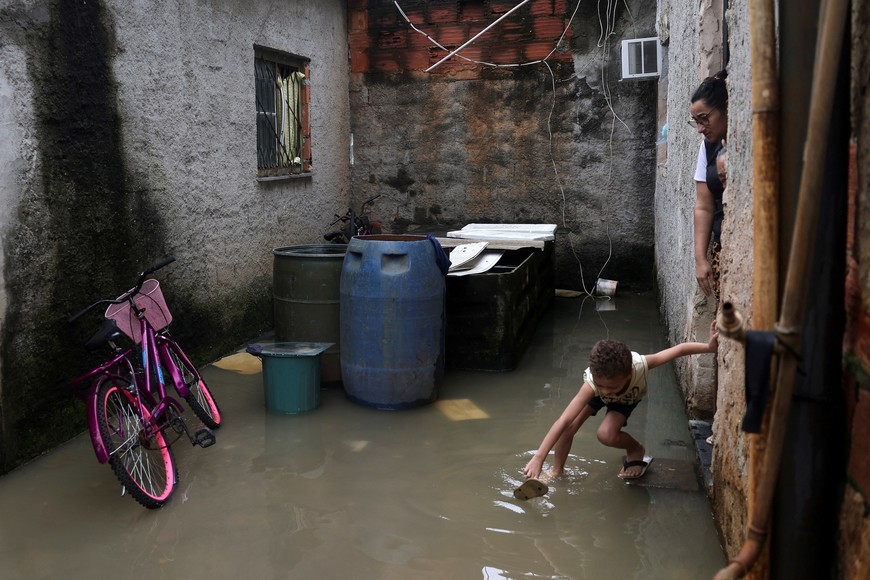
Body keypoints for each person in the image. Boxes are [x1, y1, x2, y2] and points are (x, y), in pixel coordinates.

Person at [515, 323, 719, 499]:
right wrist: (539, 457)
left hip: (626, 399)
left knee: (606, 434)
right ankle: (557, 471)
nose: (606, 390)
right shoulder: (594, 385)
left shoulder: (640, 366)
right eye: (600, 384)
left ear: (629, 373)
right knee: (569, 428)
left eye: (610, 386)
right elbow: (563, 420)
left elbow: (679, 350)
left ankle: (636, 449)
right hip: (594, 395)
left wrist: (710, 347)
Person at [690, 70, 728, 299]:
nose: (701, 128)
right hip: (721, 247)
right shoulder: (708, 147)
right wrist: (700, 259)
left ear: (726, 108)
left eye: (704, 118)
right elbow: (704, 205)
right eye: (696, 121)